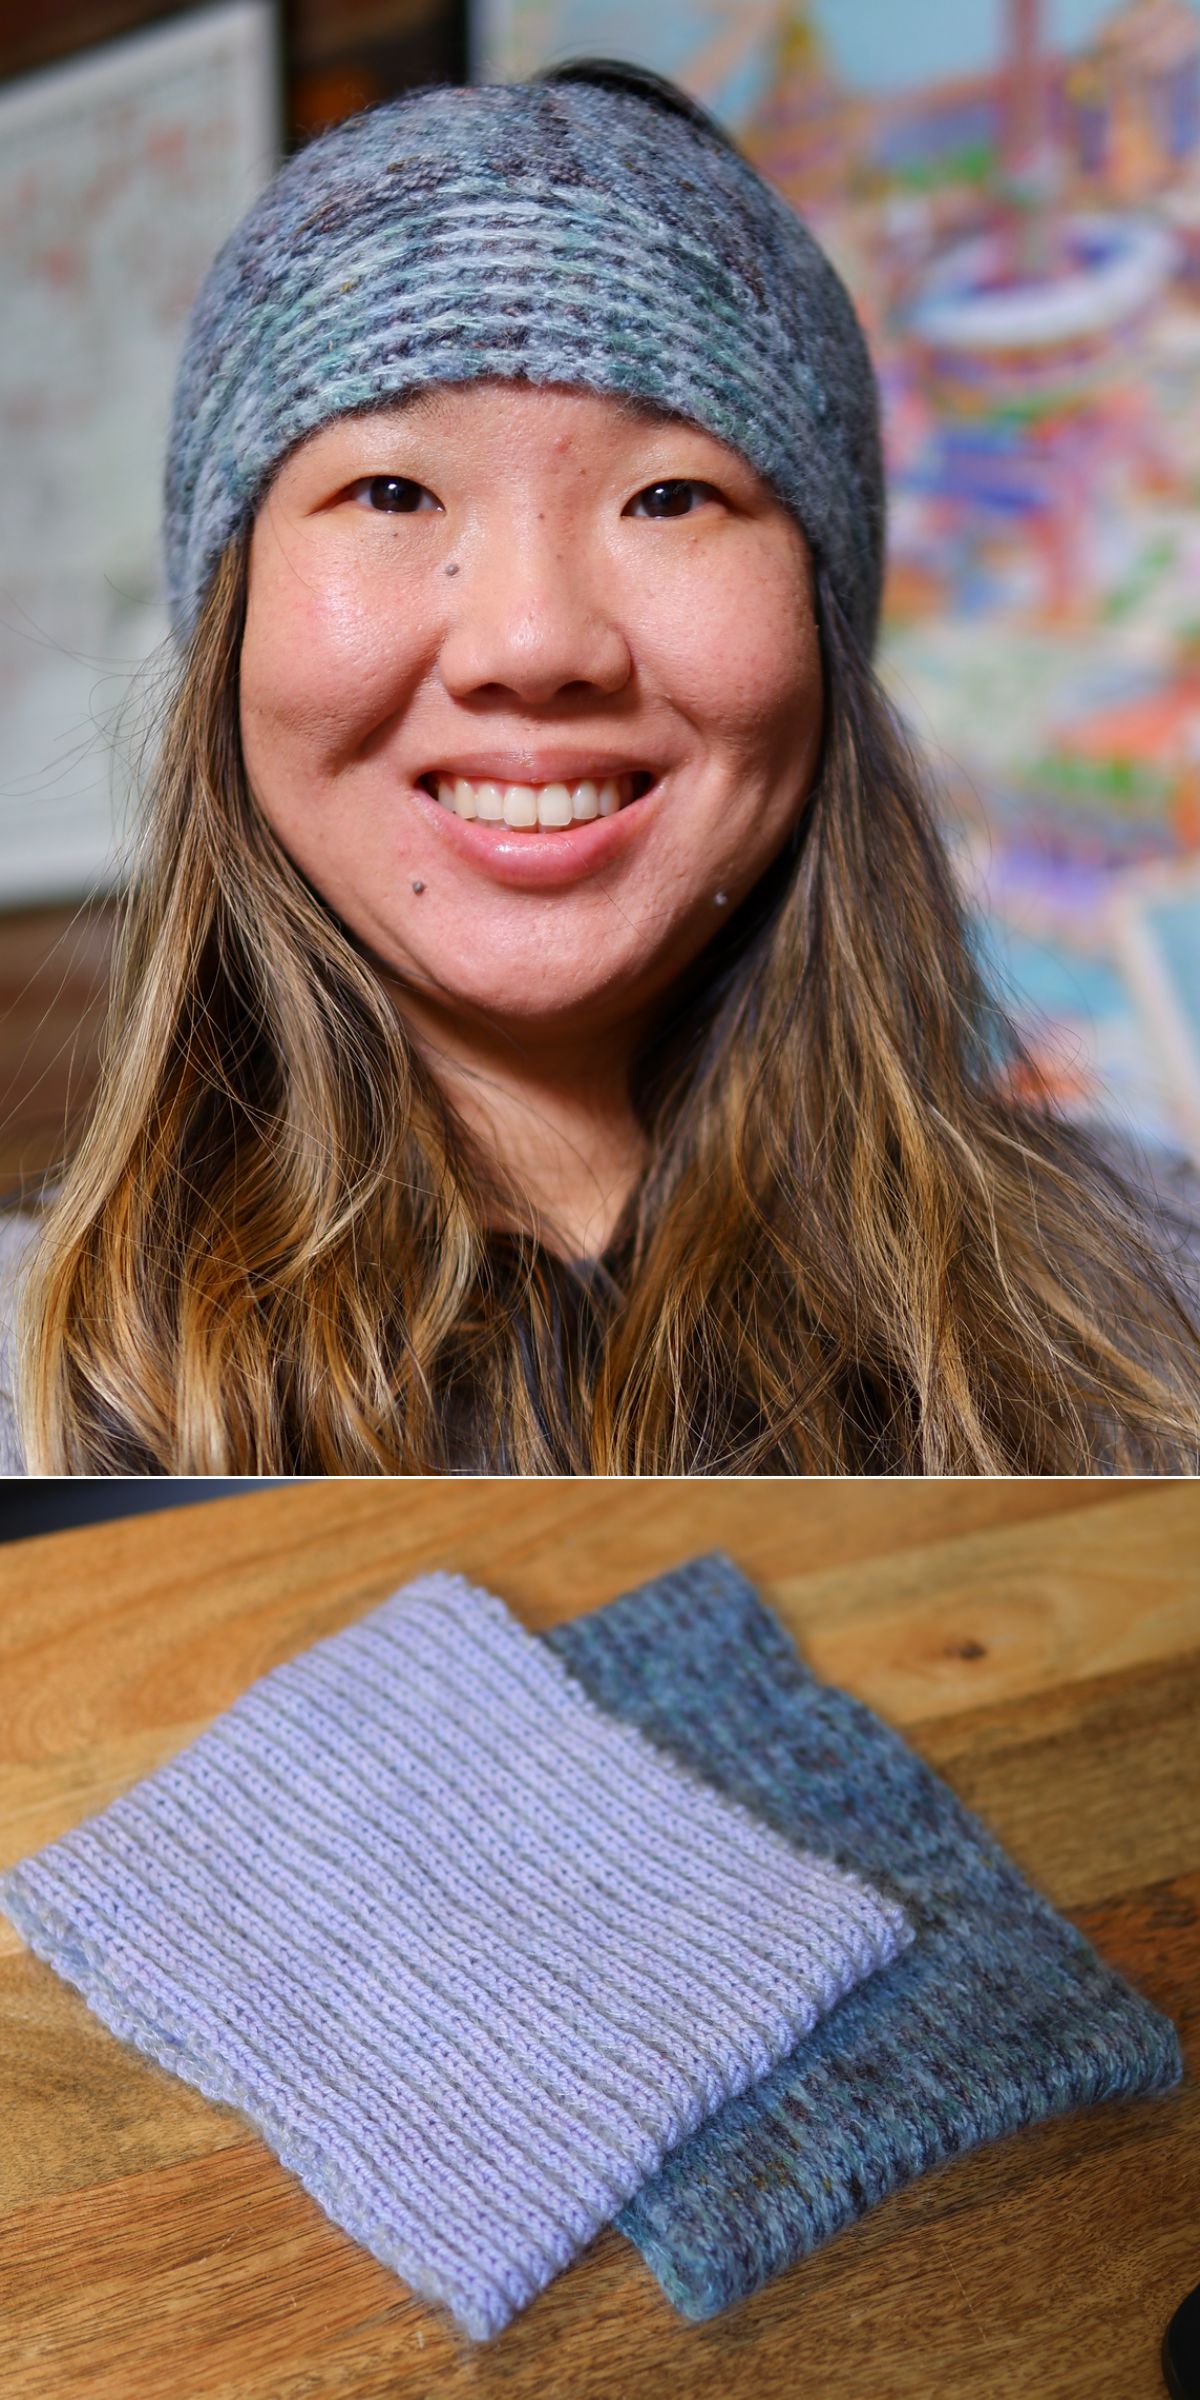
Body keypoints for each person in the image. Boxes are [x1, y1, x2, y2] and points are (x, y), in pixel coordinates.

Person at [3, 57, 1199, 1477]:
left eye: (671, 495)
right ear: (234, 628)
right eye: (393, 491)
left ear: (822, 629)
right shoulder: (28, 1380)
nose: (534, 639)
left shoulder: (1157, 1293)